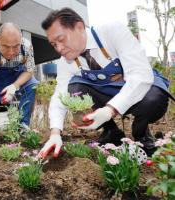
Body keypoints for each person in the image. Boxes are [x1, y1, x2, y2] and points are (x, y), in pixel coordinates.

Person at [38, 8, 173, 158]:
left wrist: (111, 110)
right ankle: (111, 131)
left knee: (154, 97)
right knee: (74, 89)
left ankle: (141, 133)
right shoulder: (66, 61)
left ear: (79, 27)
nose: (59, 48)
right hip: (104, 94)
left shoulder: (112, 32)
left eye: (61, 39)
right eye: (53, 44)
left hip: (137, 93)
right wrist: (55, 132)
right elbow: (60, 95)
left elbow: (141, 75)